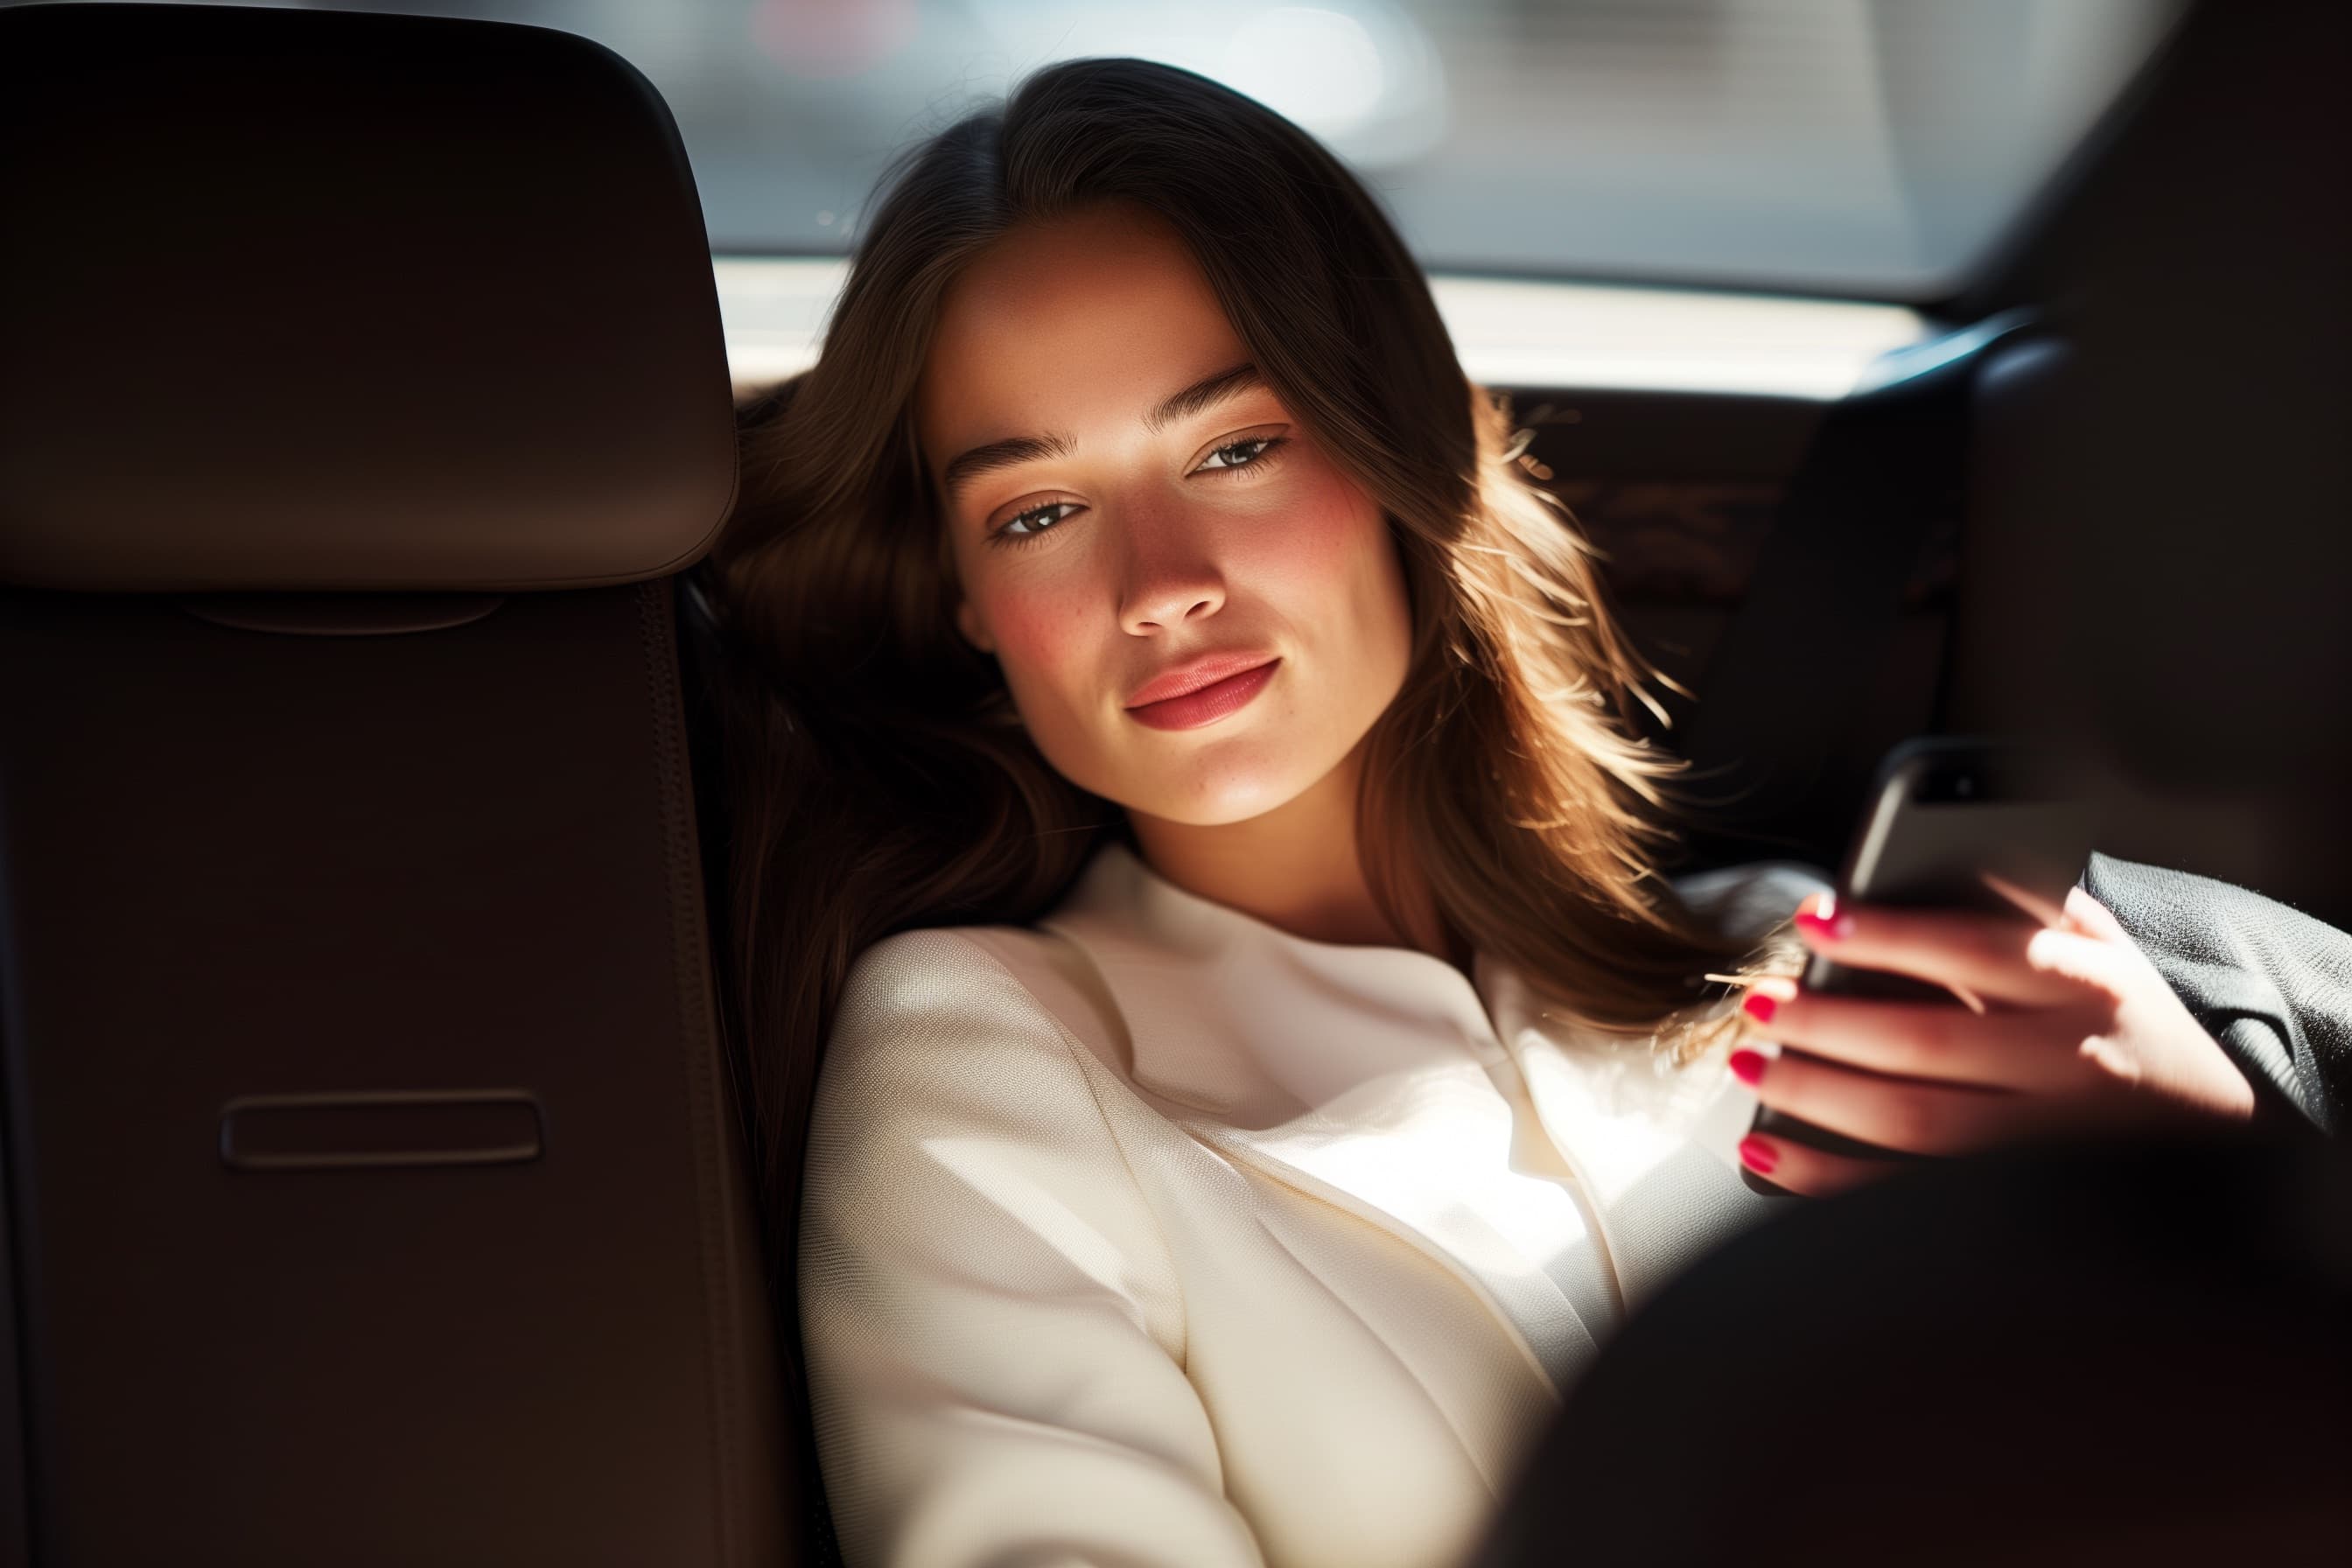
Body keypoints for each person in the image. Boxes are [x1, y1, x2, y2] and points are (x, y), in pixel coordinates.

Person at [700, 57, 2284, 1568]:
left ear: (1397, 453)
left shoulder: (1799, 960)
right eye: (1039, 510)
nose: (1161, 585)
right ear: (969, 597)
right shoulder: (984, 1054)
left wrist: (2209, 1167)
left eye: (1237, 446)